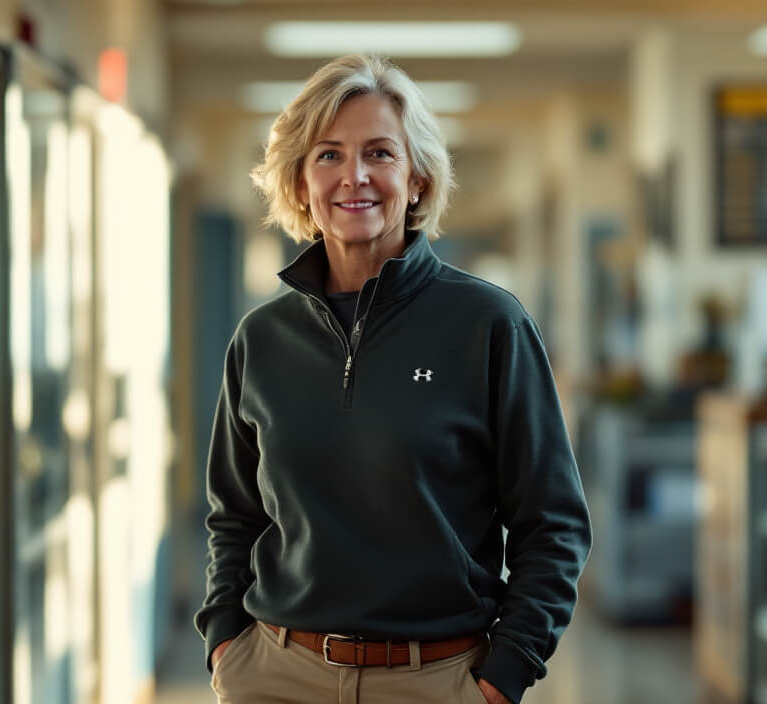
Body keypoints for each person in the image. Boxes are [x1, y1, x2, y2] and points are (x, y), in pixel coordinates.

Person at [195, 54, 591, 704]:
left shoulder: (489, 325)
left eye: (380, 153)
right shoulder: (261, 341)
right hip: (275, 674)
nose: (354, 176)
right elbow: (233, 516)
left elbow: (554, 522)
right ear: (299, 183)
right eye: (328, 155)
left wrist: (504, 676)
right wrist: (225, 643)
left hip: (436, 681)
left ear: (417, 180)